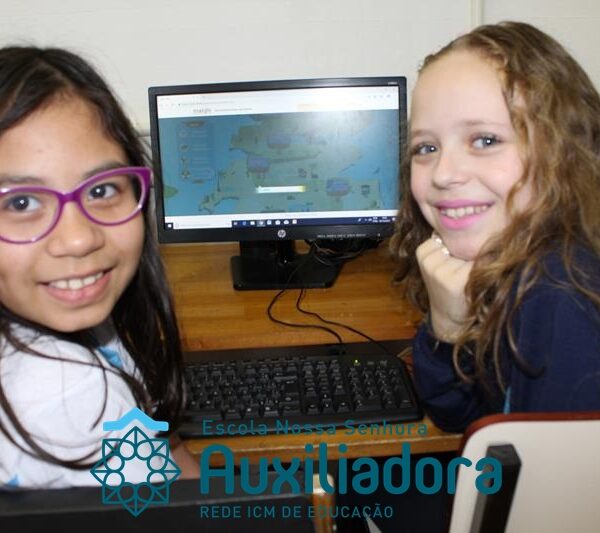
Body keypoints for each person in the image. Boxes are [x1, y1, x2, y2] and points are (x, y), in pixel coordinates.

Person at [0, 46, 197, 487]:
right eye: (21, 202)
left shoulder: (85, 321)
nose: (79, 238)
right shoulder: (67, 394)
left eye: (102, 190)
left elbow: (170, 452)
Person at [391, 21, 600, 434]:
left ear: (563, 147)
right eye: (426, 147)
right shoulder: (515, 265)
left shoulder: (562, 294)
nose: (443, 174)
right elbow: (464, 418)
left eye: (485, 140)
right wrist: (447, 327)